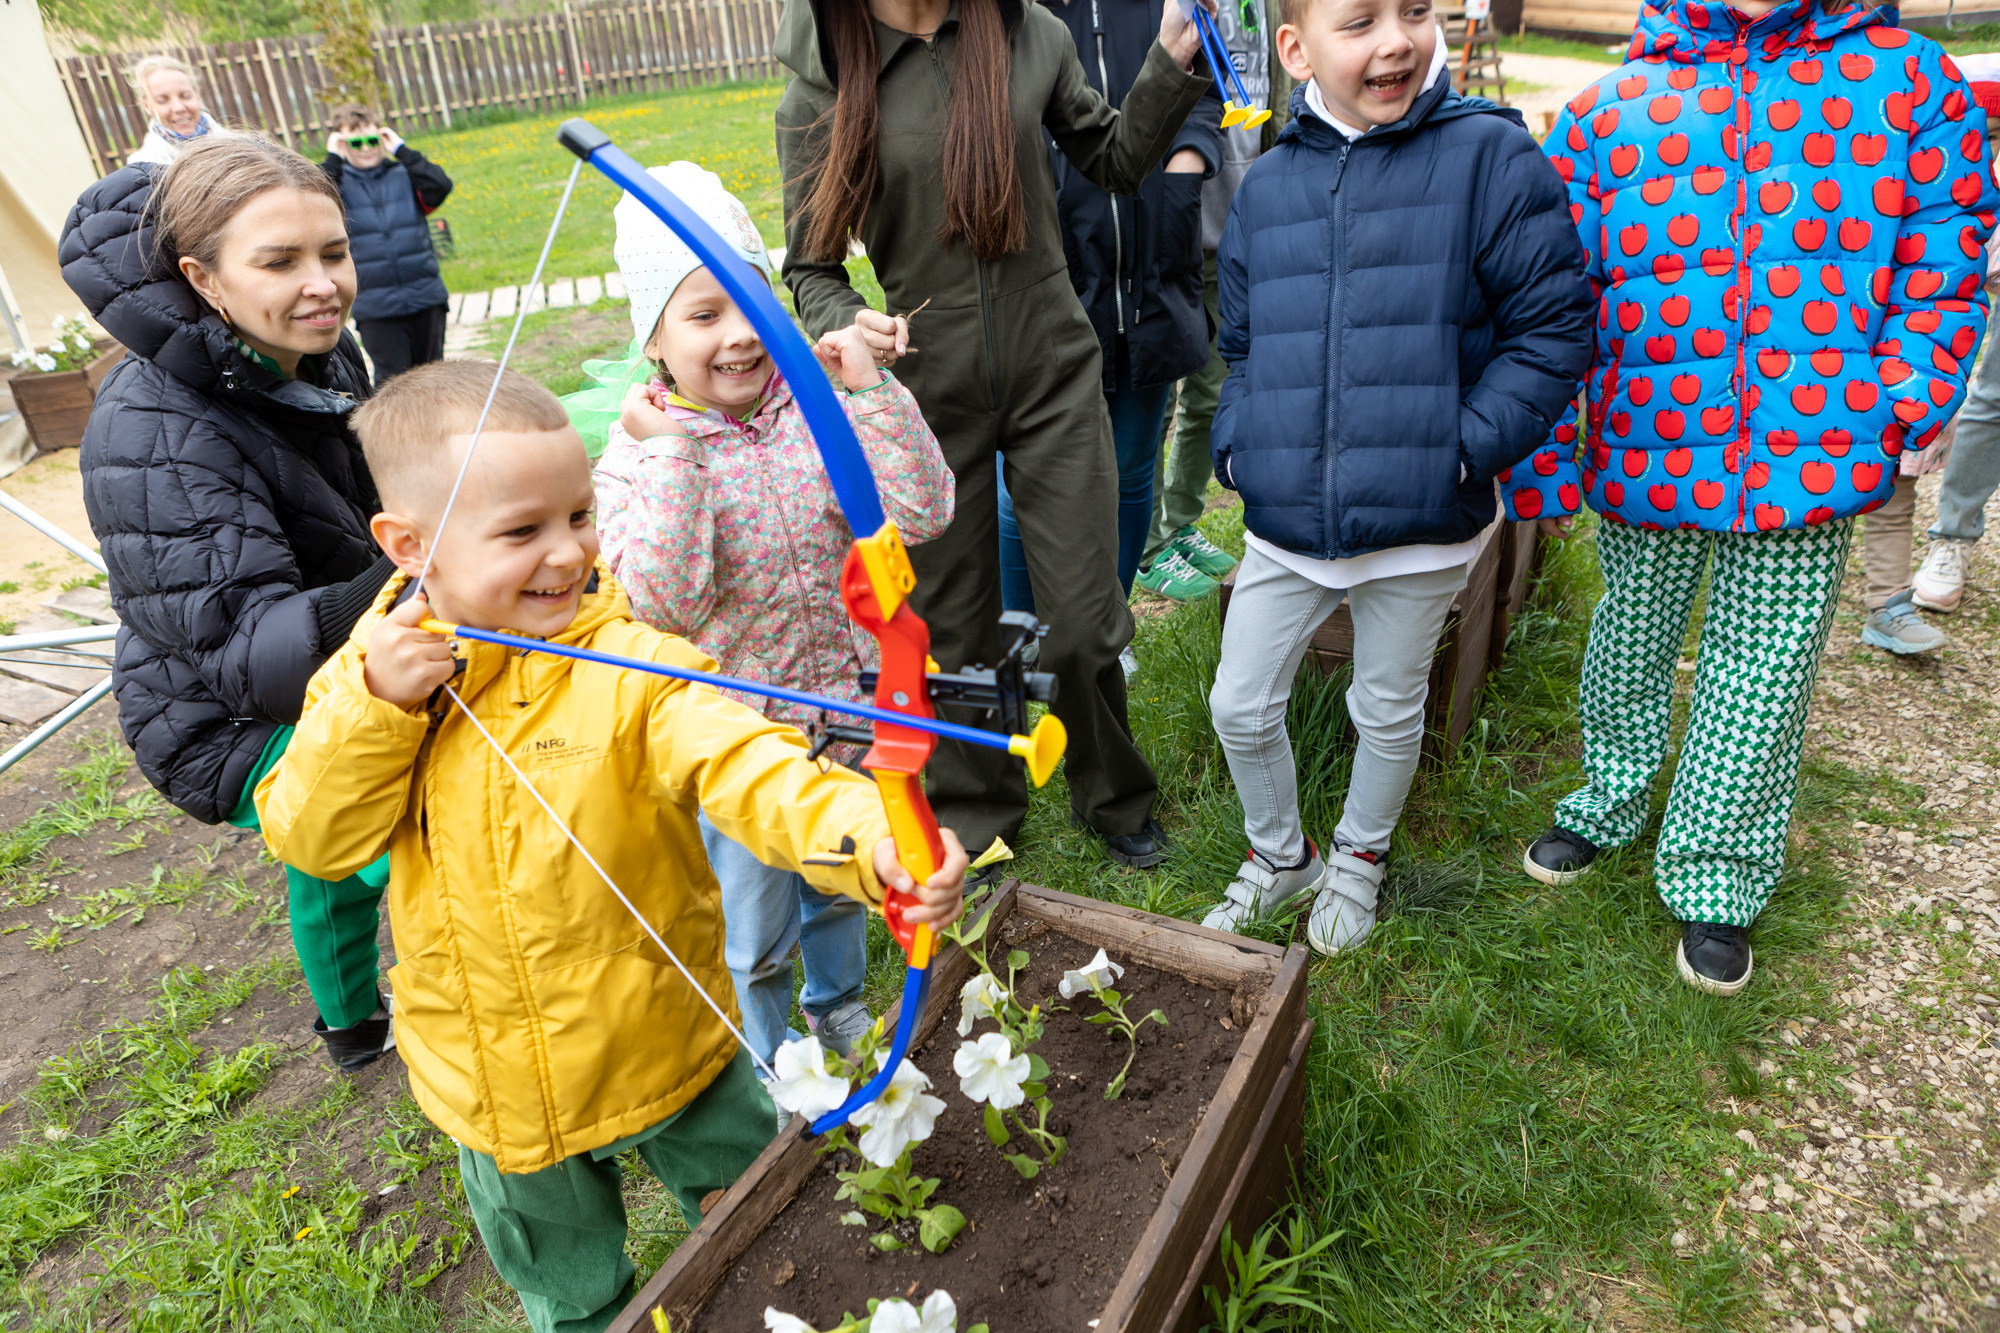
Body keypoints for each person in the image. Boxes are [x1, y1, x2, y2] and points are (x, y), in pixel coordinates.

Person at [254, 359, 968, 1333]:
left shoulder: (634, 663)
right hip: (496, 1088)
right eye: (521, 531)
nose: (568, 552)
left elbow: (749, 762)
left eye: (579, 515)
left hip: (668, 1045)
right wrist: (378, 706)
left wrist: (875, 837)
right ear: (409, 545)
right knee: (574, 1295)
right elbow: (311, 835)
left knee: (766, 1236)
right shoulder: (370, 683)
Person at [1510, 0, 1995, 995]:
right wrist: (1546, 450)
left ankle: (1716, 868)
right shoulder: (1609, 110)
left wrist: (1905, 390)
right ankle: (1609, 796)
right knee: (1630, 632)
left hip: (1813, 443)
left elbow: (1943, 252)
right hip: (1648, 432)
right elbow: (1553, 297)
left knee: (1763, 666)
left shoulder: (1908, 83)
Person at [776, 0, 1216, 868]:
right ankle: (978, 814)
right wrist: (850, 319)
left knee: (1083, 621)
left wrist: (1169, 64)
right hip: (926, 392)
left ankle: (1113, 795)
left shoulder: (1027, 33)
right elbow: (811, 266)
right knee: (953, 630)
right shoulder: (822, 79)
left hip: (1052, 369)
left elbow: (1115, 158)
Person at [1196, 0, 1592, 952]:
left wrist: (1459, 448)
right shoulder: (1270, 183)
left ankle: (1358, 858)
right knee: (1238, 703)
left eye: (1414, 10)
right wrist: (1240, 442)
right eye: (1361, 20)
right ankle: (1281, 856)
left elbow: (1552, 329)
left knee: (1385, 706)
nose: (1396, 40)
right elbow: (1241, 342)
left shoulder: (1489, 157)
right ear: (1296, 51)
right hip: (1288, 519)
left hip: (1423, 520)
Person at [585, 161, 956, 1072]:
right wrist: (673, 454)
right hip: (736, 749)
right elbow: (662, 605)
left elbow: (923, 510)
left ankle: (838, 1007)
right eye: (702, 315)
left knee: (837, 886)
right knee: (752, 927)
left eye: (751, 299)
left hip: (844, 715)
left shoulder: (817, 410)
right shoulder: (635, 459)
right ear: (652, 339)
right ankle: (765, 1051)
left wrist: (867, 394)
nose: (740, 333)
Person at [60, 136, 399, 1068]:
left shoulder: (314, 349)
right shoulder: (150, 424)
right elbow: (257, 658)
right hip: (219, 713)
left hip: (327, 653)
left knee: (338, 833)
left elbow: (366, 498)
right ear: (203, 279)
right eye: (280, 262)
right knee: (395, 822)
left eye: (333, 252)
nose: (322, 284)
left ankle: (350, 1019)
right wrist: (409, 573)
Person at [994, 0, 1224, 624]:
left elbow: (1205, 91)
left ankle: (1108, 632)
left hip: (1153, 270)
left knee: (1130, 470)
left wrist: (1183, 171)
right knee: (1024, 484)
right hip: (1049, 276)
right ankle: (1025, 639)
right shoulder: (1007, 15)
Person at [1134, 0, 1271, 603]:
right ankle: (1144, 547)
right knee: (1156, 401)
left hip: (1238, 230)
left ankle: (1178, 524)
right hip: (1171, 229)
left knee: (1211, 391)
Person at [320, 105, 453, 387]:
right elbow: (313, 201)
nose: (366, 148)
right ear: (342, 144)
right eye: (356, 142)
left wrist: (402, 150)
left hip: (426, 296)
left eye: (372, 140)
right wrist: (333, 159)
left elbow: (440, 185)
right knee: (393, 385)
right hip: (377, 307)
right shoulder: (336, 186)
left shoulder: (405, 174)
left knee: (435, 380)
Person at [124, 56, 222, 167]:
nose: (178, 108)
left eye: (186, 96)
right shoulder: (142, 165)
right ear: (147, 106)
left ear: (197, 96)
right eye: (162, 101)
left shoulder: (233, 144)